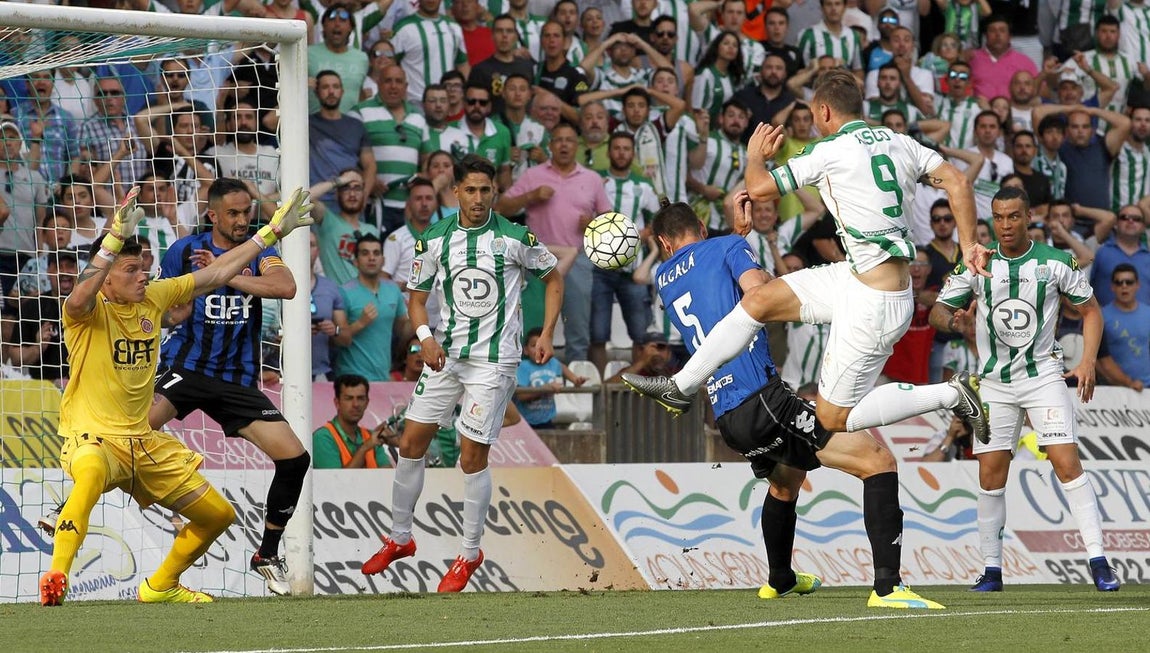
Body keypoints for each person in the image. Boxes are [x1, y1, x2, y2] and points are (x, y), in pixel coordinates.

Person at [623, 69, 993, 447]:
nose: (815, 124)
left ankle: (952, 394)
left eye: (815, 116)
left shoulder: (827, 151)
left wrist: (755, 157)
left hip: (876, 302)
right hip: (859, 277)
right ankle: (680, 386)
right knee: (759, 300)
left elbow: (760, 187)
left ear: (825, 112)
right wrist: (968, 246)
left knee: (832, 417)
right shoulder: (901, 142)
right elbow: (959, 182)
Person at [646, 197, 944, 609]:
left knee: (785, 483)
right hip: (762, 398)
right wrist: (741, 245)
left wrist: (735, 241)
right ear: (701, 223)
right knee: (877, 460)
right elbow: (760, 292)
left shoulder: (664, 276)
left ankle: (781, 579)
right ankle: (888, 588)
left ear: (663, 242)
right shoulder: (727, 247)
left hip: (727, 413)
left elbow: (704, 279)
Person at [38, 184, 312, 606]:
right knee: (90, 471)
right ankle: (57, 576)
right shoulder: (86, 314)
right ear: (107, 278)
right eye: (132, 270)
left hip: (146, 444)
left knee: (217, 516)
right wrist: (111, 241)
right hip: (94, 438)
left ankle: (160, 586)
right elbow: (78, 294)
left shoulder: (154, 298)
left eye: (144, 267)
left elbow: (218, 274)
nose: (144, 275)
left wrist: (273, 232)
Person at [360, 155, 564, 592]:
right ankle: (399, 539)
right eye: (469, 190)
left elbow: (553, 278)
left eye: (485, 191)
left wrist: (546, 333)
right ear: (455, 192)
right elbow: (416, 298)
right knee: (411, 442)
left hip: (494, 361)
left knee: (470, 456)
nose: (477, 198)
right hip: (444, 355)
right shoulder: (434, 239)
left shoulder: (514, 237)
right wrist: (424, 337)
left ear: (494, 193)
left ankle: (469, 554)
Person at [930, 186, 1121, 593]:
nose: (1005, 225)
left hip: (1043, 378)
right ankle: (992, 570)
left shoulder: (1055, 262)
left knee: (1067, 463)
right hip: (995, 383)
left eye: (1013, 216)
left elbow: (1090, 311)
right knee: (990, 474)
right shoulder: (977, 262)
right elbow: (937, 311)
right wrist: (955, 322)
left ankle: (1100, 562)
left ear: (1029, 216)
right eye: (998, 217)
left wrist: (1087, 360)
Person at [149, 178, 311, 597]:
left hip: (235, 379)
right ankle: (67, 507)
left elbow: (286, 288)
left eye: (247, 213)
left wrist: (228, 278)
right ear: (213, 216)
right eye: (234, 214)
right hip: (185, 366)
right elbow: (162, 309)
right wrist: (175, 315)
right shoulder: (183, 251)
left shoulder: (262, 253)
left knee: (294, 459)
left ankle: (267, 553)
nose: (242, 221)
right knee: (133, 429)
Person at [332, 232, 410, 381]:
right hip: (351, 378)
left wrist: (417, 311)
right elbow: (337, 340)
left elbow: (402, 331)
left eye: (376, 253)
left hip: (383, 377)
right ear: (355, 261)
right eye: (365, 253)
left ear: (383, 260)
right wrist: (360, 323)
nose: (371, 258)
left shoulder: (393, 290)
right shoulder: (344, 292)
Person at [312, 374, 399, 469]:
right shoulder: (322, 438)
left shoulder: (371, 436)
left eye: (360, 398)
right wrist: (364, 448)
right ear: (337, 403)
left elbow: (387, 477)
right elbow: (336, 482)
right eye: (349, 398)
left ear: (367, 403)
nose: (356, 404)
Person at [514, 327, 588, 429]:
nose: (538, 349)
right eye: (533, 346)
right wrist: (545, 388)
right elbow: (521, 396)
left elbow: (563, 367)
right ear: (526, 350)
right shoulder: (523, 367)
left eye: (542, 346)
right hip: (526, 421)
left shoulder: (553, 363)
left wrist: (576, 380)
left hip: (547, 419)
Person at [1097, 264, 1150, 391]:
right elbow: (1097, 358)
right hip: (1114, 389)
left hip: (1147, 387)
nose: (1124, 286)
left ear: (1138, 285)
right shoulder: (1101, 316)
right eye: (1119, 282)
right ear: (1112, 287)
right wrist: (1117, 380)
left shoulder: (1148, 313)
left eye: (1129, 282)